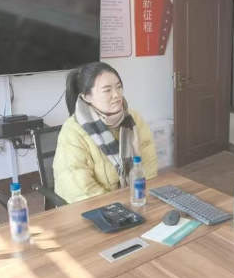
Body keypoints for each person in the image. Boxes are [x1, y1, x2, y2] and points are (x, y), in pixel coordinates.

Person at [54, 62, 157, 204]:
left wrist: (140, 195)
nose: (116, 95)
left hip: (135, 198)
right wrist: (117, 207)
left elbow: (148, 163)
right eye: (107, 90)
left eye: (119, 87)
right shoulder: (73, 130)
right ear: (86, 97)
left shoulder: (133, 118)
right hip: (91, 206)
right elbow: (80, 187)